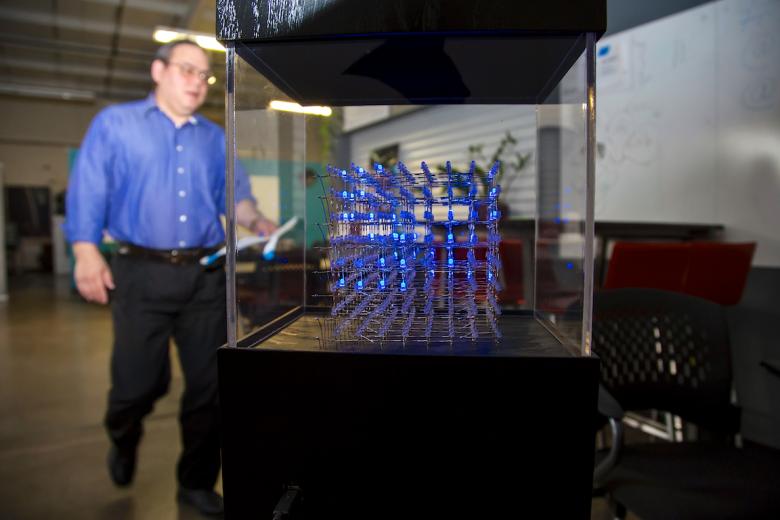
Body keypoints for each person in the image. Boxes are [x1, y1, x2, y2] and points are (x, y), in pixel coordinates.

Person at [64, 40, 275, 516]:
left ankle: (195, 484)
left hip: (205, 276)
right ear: (158, 71)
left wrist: (256, 220)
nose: (198, 81)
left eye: (205, 75)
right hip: (139, 274)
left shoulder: (216, 138)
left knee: (210, 387)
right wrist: (84, 252)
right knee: (137, 385)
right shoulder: (115, 125)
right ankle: (124, 434)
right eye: (187, 70)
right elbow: (89, 189)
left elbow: (236, 199)